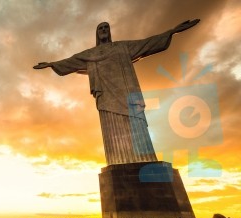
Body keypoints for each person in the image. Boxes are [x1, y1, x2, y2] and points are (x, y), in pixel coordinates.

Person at [34, 20, 200, 165]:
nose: (104, 30)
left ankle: (146, 161)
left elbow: (147, 43)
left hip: (127, 94)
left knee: (137, 127)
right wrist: (51, 64)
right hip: (107, 97)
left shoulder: (122, 46)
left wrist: (172, 31)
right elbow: (71, 61)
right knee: (113, 130)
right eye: (101, 28)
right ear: (97, 34)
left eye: (106, 27)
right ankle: (119, 161)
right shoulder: (90, 54)